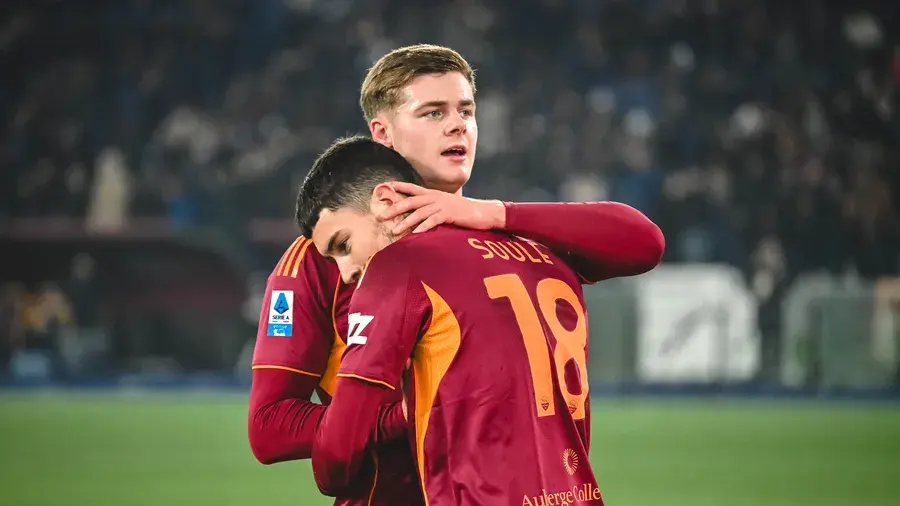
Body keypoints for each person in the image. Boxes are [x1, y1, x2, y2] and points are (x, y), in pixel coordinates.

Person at [248, 44, 664, 505]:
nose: (457, 124)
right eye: (432, 112)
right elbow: (269, 426)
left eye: (466, 110)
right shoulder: (322, 256)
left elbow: (643, 242)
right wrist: (413, 414)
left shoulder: (504, 236)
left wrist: (494, 213)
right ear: (382, 133)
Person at [298, 136, 604, 505]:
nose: (346, 272)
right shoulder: (539, 251)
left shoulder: (394, 269)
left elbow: (335, 460)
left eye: (343, 245)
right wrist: (501, 213)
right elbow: (646, 244)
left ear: (386, 201)